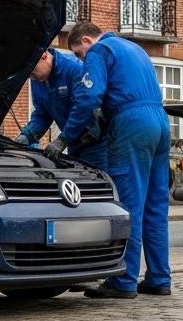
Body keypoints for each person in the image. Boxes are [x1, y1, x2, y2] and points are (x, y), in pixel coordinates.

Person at [45, 22, 171, 298]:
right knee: (156, 205)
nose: (81, 60)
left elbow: (90, 95)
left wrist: (65, 138)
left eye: (79, 54)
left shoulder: (99, 51)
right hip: (161, 123)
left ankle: (123, 281)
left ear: (86, 41)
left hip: (131, 124)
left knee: (130, 206)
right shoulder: (134, 47)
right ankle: (160, 278)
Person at [17, 48, 107, 170]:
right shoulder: (38, 79)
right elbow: (42, 113)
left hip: (96, 142)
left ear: (43, 56)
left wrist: (63, 140)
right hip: (73, 143)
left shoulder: (75, 68)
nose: (31, 77)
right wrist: (28, 135)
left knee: (97, 183)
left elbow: (84, 108)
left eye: (32, 72)